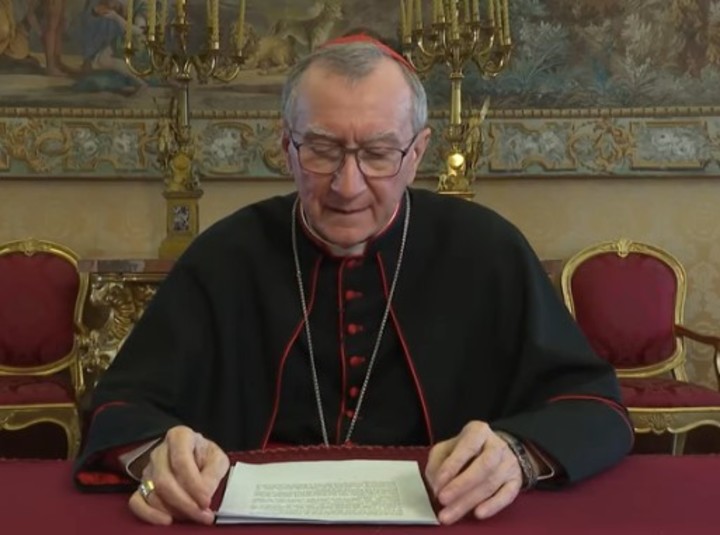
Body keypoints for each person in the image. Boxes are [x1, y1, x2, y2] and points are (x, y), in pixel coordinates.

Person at [74, 34, 634, 526]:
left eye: (377, 153)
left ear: (417, 154)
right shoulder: (225, 256)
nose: (348, 184)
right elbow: (121, 407)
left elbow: (593, 406)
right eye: (321, 149)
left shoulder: (487, 251)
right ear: (285, 147)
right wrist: (155, 460)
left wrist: (514, 455)